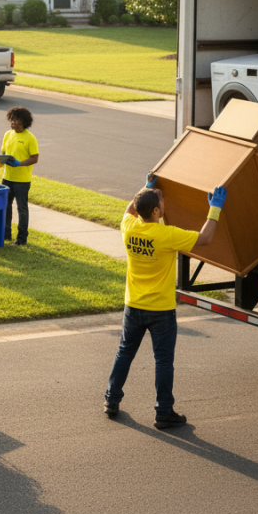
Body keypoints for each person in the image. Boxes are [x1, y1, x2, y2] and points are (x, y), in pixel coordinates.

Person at [103, 173, 228, 429]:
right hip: (161, 309)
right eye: (160, 199)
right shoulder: (167, 235)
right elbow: (205, 238)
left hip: (134, 306)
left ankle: (111, 400)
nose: (163, 200)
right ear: (157, 211)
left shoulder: (129, 227)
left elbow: (130, 209)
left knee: (125, 352)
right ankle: (164, 412)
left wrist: (146, 187)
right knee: (163, 361)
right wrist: (214, 209)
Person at [0, 106, 39, 246]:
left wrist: (20, 163)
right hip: (7, 179)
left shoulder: (30, 138)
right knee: (6, 206)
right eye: (11, 120)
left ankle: (22, 238)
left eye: (15, 120)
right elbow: (3, 155)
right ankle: (6, 233)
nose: (12, 122)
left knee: (22, 209)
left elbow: (35, 158)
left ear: (23, 121)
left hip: (22, 180)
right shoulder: (7, 135)